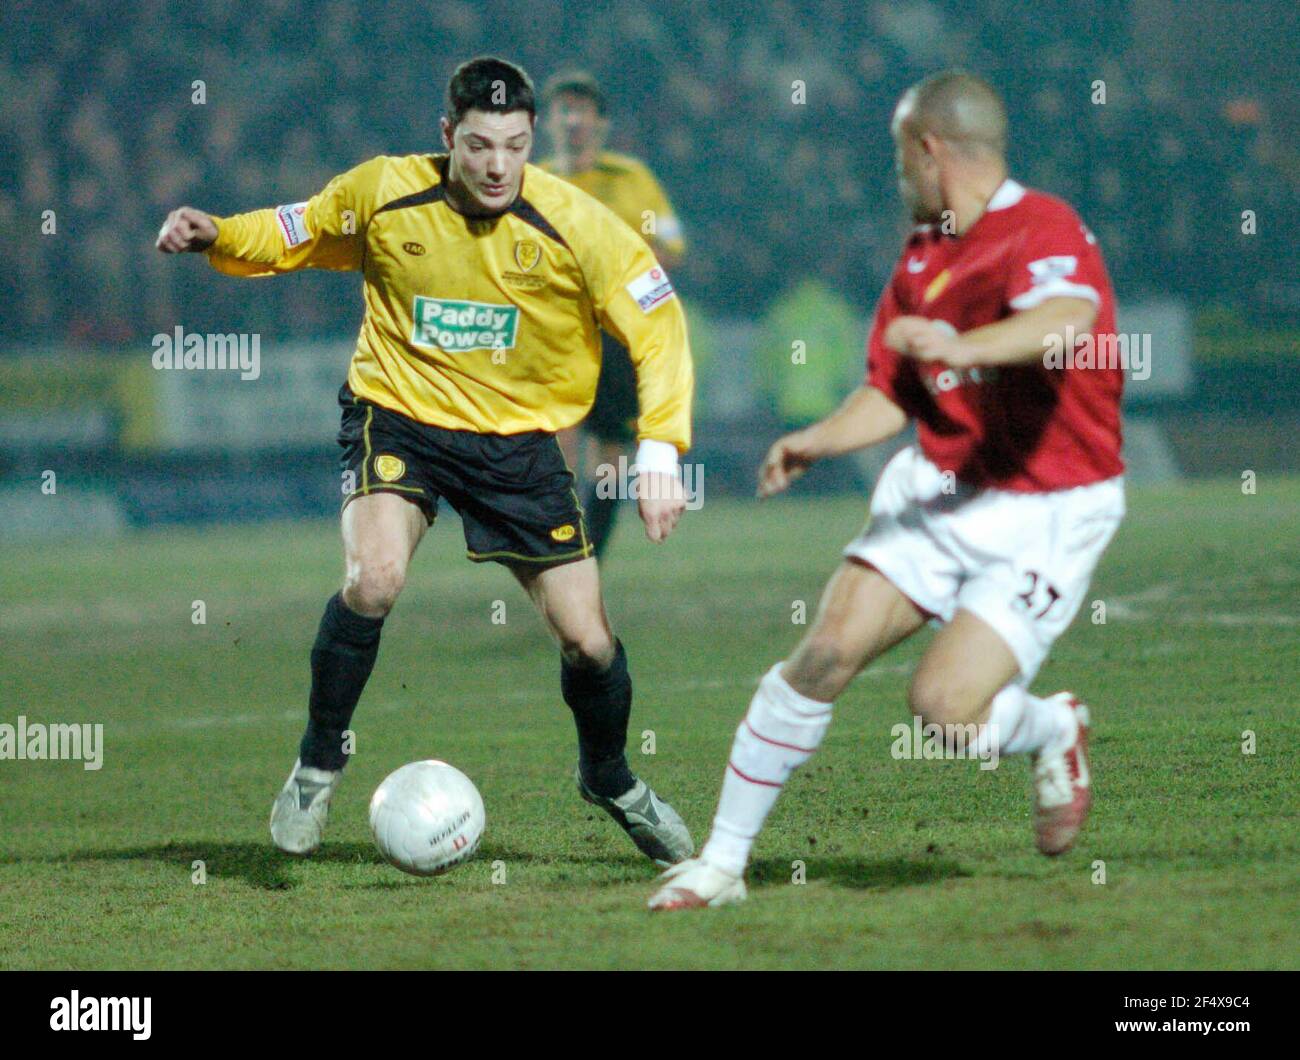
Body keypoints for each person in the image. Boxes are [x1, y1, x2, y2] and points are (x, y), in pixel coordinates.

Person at [155, 56, 695, 868]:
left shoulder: (574, 222)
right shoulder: (385, 190)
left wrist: (659, 446)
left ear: (532, 140)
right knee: (374, 578)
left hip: (516, 443)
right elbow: (298, 229)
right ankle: (319, 760)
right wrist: (222, 236)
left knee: (588, 641)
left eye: (515, 145)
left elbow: (658, 321)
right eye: (479, 144)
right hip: (398, 415)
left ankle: (610, 778)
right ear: (448, 136)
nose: (496, 165)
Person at [649, 70, 1126, 910]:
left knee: (942, 710)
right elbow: (892, 391)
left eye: (900, 154)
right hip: (939, 490)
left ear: (930, 149)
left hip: (1049, 510)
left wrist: (958, 339)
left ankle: (1054, 726)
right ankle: (721, 866)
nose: (895, 172)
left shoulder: (1041, 227)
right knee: (823, 654)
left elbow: (1066, 321)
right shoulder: (921, 250)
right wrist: (815, 441)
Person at [538, 70, 687, 558]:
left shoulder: (632, 179)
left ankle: (589, 554)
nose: (573, 120)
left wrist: (617, 264)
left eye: (583, 110)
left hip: (618, 334)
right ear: (548, 123)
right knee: (556, 445)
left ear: (601, 123)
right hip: (555, 333)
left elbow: (671, 249)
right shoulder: (531, 183)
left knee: (609, 457)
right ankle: (558, 550)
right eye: (564, 110)